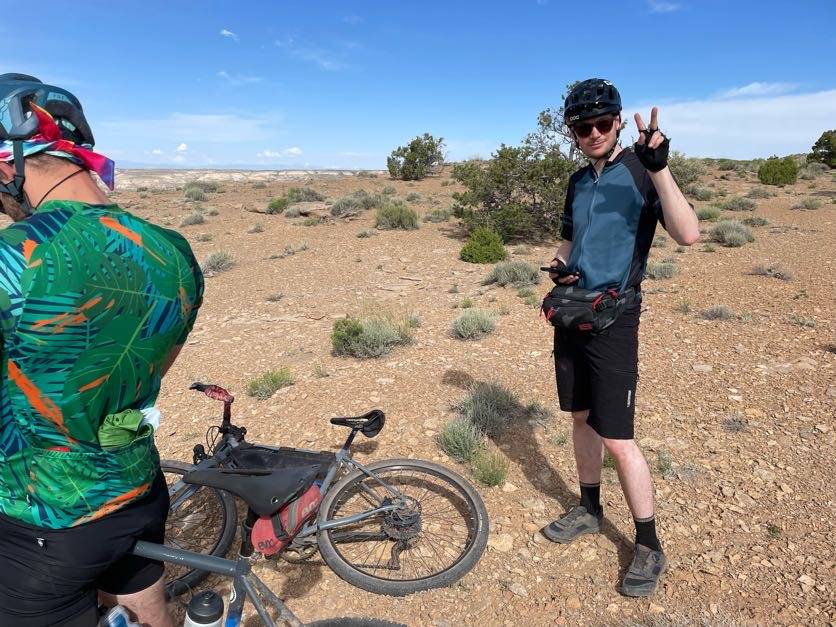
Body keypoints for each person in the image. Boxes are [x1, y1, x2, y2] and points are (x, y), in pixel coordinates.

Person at [0, 73, 203, 626]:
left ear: (8, 164)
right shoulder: (173, 252)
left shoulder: (14, 259)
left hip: (42, 519)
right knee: (146, 600)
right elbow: (146, 371)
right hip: (136, 485)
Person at [541, 79, 699, 597]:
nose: (592, 134)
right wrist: (560, 265)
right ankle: (589, 508)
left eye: (601, 124)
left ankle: (649, 544)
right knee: (581, 418)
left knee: (617, 436)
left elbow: (688, 233)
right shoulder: (578, 180)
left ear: (617, 121)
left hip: (615, 317)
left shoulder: (640, 170)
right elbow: (571, 236)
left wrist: (661, 169)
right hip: (574, 311)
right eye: (581, 127)